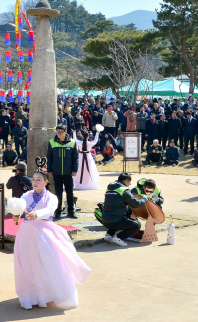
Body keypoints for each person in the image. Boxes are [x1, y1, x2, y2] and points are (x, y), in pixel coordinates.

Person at [14, 170, 91, 310]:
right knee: (28, 262)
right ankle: (30, 297)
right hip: (26, 232)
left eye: (39, 179)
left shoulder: (52, 197)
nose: (35, 182)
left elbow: (49, 210)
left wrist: (36, 213)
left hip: (44, 231)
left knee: (46, 263)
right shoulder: (26, 195)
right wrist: (16, 214)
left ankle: (44, 296)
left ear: (46, 182)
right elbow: (20, 206)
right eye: (34, 179)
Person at [102, 172, 148, 247]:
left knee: (120, 216)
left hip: (104, 220)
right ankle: (118, 238)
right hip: (115, 220)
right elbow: (135, 204)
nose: (129, 184)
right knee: (137, 225)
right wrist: (144, 199)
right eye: (129, 182)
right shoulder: (124, 190)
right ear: (125, 181)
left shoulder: (110, 188)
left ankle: (109, 235)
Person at [47, 124, 78, 219]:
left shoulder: (72, 142)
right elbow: (49, 157)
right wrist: (49, 170)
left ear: (66, 132)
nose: (59, 134)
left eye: (61, 132)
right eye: (58, 132)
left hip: (68, 172)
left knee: (70, 192)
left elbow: (75, 158)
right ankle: (58, 211)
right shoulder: (52, 142)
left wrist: (74, 170)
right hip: (56, 172)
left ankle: (71, 211)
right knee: (58, 192)